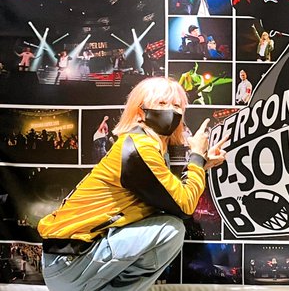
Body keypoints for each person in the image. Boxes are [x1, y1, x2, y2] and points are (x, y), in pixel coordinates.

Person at [38, 77, 228, 291]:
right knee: (170, 229)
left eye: (177, 105)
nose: (171, 110)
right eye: (162, 103)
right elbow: (184, 205)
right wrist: (196, 156)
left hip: (71, 260)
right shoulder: (139, 147)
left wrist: (201, 164)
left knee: (167, 224)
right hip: (69, 261)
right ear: (140, 111)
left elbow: (171, 196)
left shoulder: (147, 146)